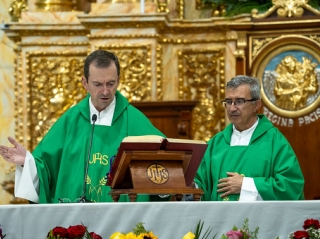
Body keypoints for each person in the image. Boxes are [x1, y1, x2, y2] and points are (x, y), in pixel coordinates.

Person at [0, 50, 165, 203]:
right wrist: (27, 162)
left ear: (119, 81)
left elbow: (168, 162)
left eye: (111, 83)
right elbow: (47, 169)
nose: (106, 91)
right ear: (85, 83)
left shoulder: (134, 120)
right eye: (98, 84)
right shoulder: (71, 119)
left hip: (122, 223)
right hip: (75, 222)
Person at [194, 75, 305, 201]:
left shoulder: (275, 141)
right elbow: (200, 184)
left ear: (256, 105)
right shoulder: (215, 143)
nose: (232, 108)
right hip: (219, 219)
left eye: (239, 101)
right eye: (229, 102)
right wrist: (189, 186)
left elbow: (290, 186)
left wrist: (245, 185)